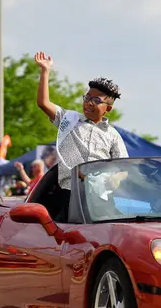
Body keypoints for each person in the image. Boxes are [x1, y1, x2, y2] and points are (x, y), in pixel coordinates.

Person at [34, 51, 129, 220]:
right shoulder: (69, 120)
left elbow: (123, 168)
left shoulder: (113, 135)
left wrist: (110, 180)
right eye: (87, 97)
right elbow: (43, 103)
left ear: (108, 108)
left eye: (97, 100)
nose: (89, 103)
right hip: (68, 194)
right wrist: (45, 71)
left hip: (99, 198)